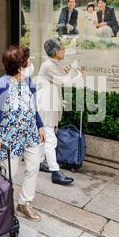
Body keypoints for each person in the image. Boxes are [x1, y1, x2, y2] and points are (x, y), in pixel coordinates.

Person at [0, 45, 46, 224]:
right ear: (19, 66)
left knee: (33, 167)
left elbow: (32, 107)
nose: (30, 63)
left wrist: (40, 125)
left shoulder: (28, 82)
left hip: (30, 135)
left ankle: (24, 203)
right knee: (7, 176)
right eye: (27, 61)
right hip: (9, 139)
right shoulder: (2, 85)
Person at [36, 37, 83, 185]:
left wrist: (68, 72)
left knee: (44, 139)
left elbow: (59, 79)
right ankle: (55, 172)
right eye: (62, 49)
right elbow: (65, 82)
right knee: (51, 140)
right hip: (46, 108)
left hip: (47, 107)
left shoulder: (51, 64)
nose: (64, 51)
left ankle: (39, 162)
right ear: (56, 52)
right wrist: (76, 72)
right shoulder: (48, 65)